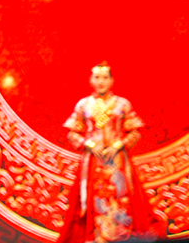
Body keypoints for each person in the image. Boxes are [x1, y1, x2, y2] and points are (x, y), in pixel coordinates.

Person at [57, 62, 166, 243]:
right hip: (93, 162)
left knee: (121, 198)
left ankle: (122, 237)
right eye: (97, 78)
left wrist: (119, 145)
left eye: (105, 78)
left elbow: (135, 132)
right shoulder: (83, 105)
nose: (101, 82)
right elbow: (72, 133)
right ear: (90, 80)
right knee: (94, 199)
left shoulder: (122, 104)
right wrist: (89, 144)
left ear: (112, 81)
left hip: (118, 162)